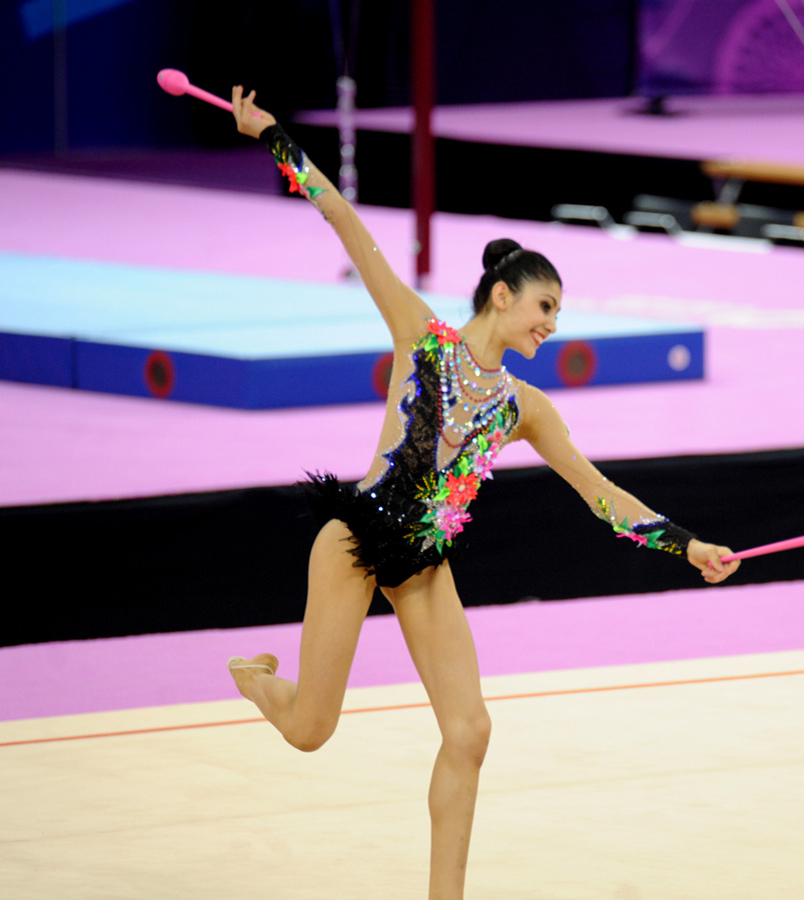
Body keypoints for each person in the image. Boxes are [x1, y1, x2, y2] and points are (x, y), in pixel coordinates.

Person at [226, 86, 740, 900]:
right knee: (310, 730)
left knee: (469, 732)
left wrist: (688, 545)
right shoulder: (420, 336)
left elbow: (601, 495)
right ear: (503, 296)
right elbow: (345, 222)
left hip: (425, 562)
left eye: (558, 314)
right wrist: (274, 135)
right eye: (545, 307)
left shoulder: (525, 409)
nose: (552, 325)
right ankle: (255, 678)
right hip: (357, 540)